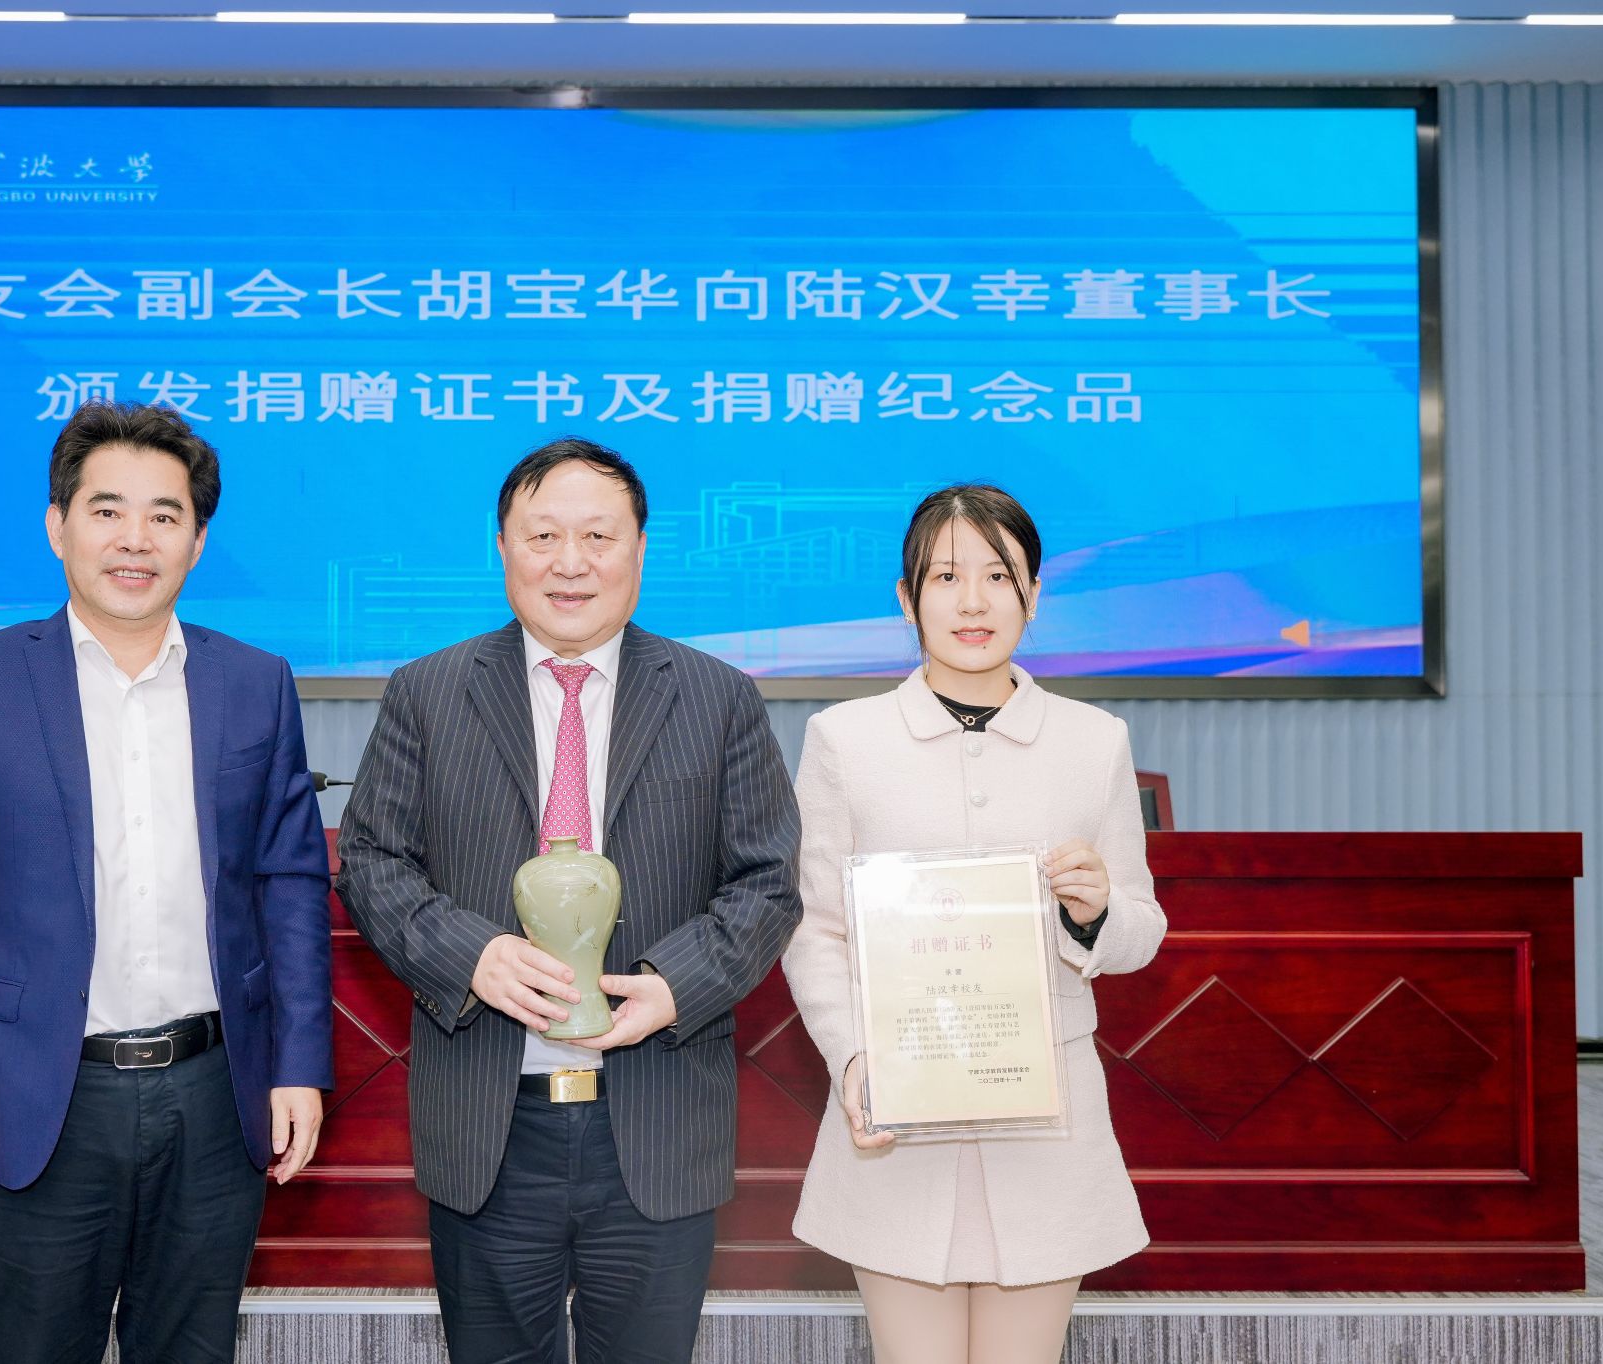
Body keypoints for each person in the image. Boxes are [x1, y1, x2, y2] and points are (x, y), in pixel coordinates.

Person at [0, 402, 333, 1364]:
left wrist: (299, 1065)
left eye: (165, 516)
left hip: (217, 1095)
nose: (135, 539)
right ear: (59, 526)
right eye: (107, 510)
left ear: (197, 541)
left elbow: (288, 886)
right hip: (36, 1093)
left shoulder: (255, 682)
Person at [336, 436, 802, 1364]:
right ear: (502, 548)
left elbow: (767, 881)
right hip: (490, 1123)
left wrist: (674, 986)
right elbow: (372, 861)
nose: (570, 562)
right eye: (543, 535)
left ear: (640, 549)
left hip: (658, 1119)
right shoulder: (428, 692)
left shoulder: (717, 698)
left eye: (598, 535)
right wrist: (471, 956)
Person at [782, 483, 1165, 1364]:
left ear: (1034, 595)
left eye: (999, 576)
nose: (974, 602)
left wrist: (1095, 911)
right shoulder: (846, 739)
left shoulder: (1093, 740)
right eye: (947, 577)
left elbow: (1142, 929)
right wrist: (853, 1058)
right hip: (896, 1124)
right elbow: (815, 929)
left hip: (1047, 1130)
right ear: (907, 597)